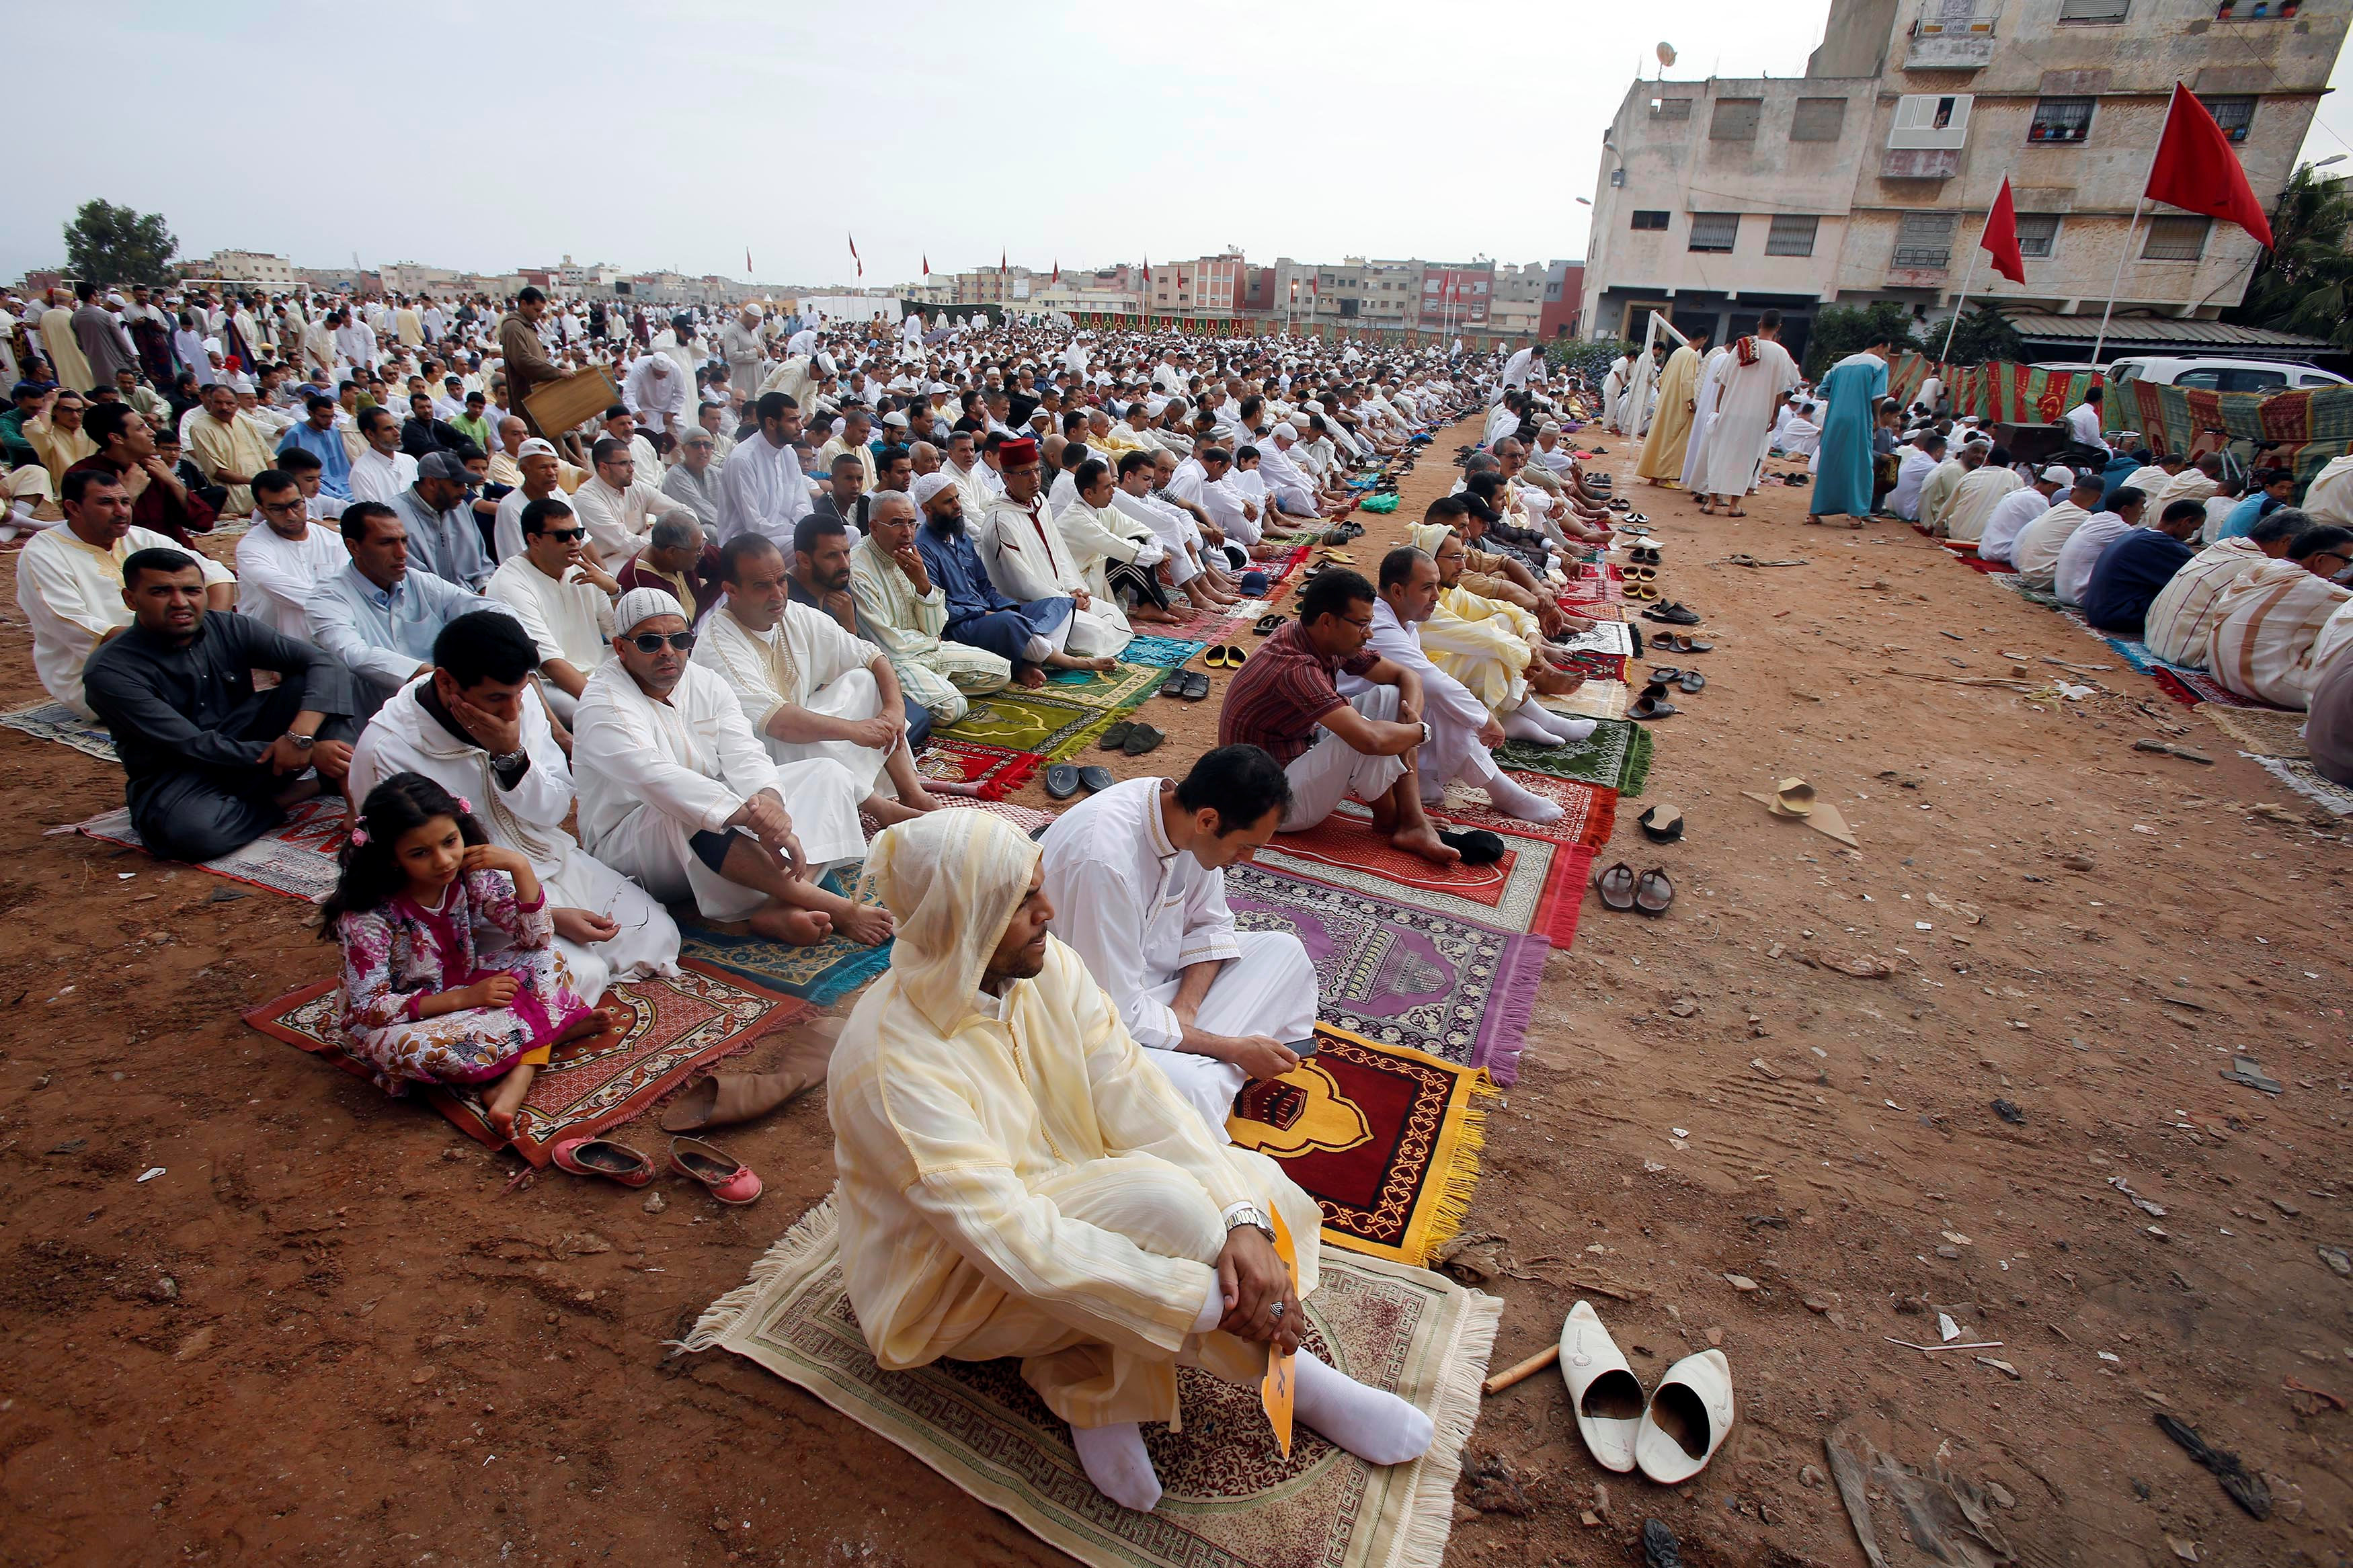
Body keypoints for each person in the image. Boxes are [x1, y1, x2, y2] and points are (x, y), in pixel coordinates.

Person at [829, 808, 1435, 1514]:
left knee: (1246, 1185)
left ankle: (1093, 1386)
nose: (1048, 911)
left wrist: (1238, 1223)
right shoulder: (891, 1061)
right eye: (1022, 900)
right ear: (964, 918)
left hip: (1066, 1188)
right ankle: (1293, 1375)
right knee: (1164, 1206)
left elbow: (1138, 1097)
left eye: (1037, 887)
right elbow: (1013, 1240)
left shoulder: (1045, 966)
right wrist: (1211, 1304)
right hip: (949, 1280)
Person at [345, 610, 682, 1003]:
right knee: (578, 973)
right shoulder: (386, 748)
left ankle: (551, 997)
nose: (510, 712)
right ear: (446, 683)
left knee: (655, 935)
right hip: (473, 900)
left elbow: (554, 810)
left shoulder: (519, 702)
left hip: (549, 857)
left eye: (518, 695)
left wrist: (510, 755)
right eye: (495, 699)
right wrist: (546, 916)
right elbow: (412, 866)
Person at [572, 589, 887, 946]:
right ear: (620, 648)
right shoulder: (602, 702)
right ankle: (836, 907)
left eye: (679, 639)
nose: (667, 652)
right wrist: (754, 818)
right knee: (690, 812)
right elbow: (656, 779)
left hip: (721, 823)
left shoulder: (705, 681)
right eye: (649, 642)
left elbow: (746, 754)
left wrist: (771, 805)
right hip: (631, 843)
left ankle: (776, 905)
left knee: (824, 774)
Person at [1036, 745, 1317, 1130]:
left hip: (1159, 998)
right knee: (1194, 1088)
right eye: (1246, 845)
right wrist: (1228, 1046)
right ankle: (1219, 1068)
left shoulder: (1183, 822)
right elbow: (1112, 1011)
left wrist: (1186, 1009)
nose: (1249, 859)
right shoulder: (1103, 861)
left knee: (1284, 952)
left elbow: (1212, 925)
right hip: (1091, 1018)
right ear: (1208, 821)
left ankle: (1213, 1065)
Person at [320, 772, 612, 1139]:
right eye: (420, 853)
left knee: (548, 959)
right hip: (407, 1021)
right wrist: (464, 998)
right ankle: (542, 1044)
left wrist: (519, 866)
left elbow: (535, 937)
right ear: (392, 858)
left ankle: (524, 1056)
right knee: (409, 1050)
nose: (444, 861)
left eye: (450, 841)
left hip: (466, 992)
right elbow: (369, 1008)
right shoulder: (367, 917)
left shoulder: (469, 877)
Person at [83, 546, 365, 860]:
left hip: (258, 745)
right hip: (180, 773)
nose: (181, 603)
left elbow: (326, 663)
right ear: (131, 600)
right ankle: (288, 796)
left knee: (312, 685)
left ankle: (358, 805)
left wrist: (299, 736)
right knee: (193, 835)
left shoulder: (228, 627)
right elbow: (191, 745)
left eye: (192, 590)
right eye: (162, 592)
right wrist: (309, 752)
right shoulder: (110, 671)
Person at [1217, 568, 1459, 866]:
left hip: (1297, 752)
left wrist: (1408, 726)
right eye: (1361, 624)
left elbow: (1407, 676)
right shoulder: (1294, 667)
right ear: (1328, 621)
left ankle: (1404, 820)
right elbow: (1369, 740)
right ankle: (1404, 821)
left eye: (1369, 623)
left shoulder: (1316, 635)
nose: (1368, 634)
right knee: (1366, 736)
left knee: (1391, 700)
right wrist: (1420, 732)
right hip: (1268, 803)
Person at [18, 468, 234, 716]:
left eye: (125, 501)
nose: (121, 511)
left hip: (180, 652)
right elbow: (73, 623)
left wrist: (210, 634)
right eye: (106, 503)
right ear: (74, 508)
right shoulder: (43, 553)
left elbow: (217, 576)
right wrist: (179, 644)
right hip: (100, 672)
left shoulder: (141, 538)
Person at [914, 462, 1094, 687]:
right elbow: (939, 607)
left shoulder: (961, 537)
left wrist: (1004, 605)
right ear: (927, 509)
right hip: (962, 625)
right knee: (1010, 622)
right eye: (948, 502)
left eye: (958, 498)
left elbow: (985, 586)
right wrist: (986, 613)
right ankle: (1066, 661)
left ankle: (1031, 660)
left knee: (1059, 604)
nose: (958, 506)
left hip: (989, 613)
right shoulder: (922, 549)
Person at [848, 485, 1012, 724]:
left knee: (1002, 672)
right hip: (896, 663)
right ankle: (917, 691)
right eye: (897, 523)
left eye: (912, 523)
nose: (907, 532)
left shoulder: (910, 556)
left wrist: (923, 584)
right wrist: (929, 642)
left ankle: (932, 686)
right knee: (952, 708)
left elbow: (935, 626)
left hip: (929, 652)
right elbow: (888, 645)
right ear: (873, 527)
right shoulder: (859, 570)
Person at [307, 501, 493, 699]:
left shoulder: (421, 581)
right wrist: (436, 677)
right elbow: (354, 654)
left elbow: (484, 609)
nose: (402, 553)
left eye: (403, 541)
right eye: (387, 543)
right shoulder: (328, 598)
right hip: (379, 714)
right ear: (354, 547)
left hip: (445, 696)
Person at [977, 438, 1132, 659]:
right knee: (1096, 632)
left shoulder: (1039, 501)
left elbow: (1059, 552)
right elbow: (1021, 583)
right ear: (1008, 478)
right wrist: (1066, 602)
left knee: (1112, 613)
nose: (1035, 479)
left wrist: (1076, 590)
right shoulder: (1000, 520)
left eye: (1037, 471)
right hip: (1032, 605)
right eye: (1026, 474)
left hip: (1060, 595)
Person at [485, 496, 616, 724]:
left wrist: (614, 589)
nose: (575, 542)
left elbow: (618, 632)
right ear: (534, 540)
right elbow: (549, 662)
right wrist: (607, 704)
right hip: (549, 683)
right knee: (586, 712)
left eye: (579, 533)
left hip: (598, 665)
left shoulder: (585, 569)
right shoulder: (511, 583)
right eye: (563, 536)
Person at [2207, 523, 2353, 708]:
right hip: (2269, 686)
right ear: (2321, 560)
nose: (2343, 568)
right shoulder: (2314, 588)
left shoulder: (2260, 568)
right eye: (2345, 561)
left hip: (2223, 673)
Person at [2144, 509, 2309, 669]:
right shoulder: (2261, 567)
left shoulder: (2224, 546)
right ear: (2286, 542)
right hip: (2190, 654)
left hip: (2155, 639)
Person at [1693, 315, 1797, 514]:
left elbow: (1723, 382)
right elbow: (1780, 391)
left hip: (1731, 409)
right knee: (1746, 458)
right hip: (1758, 415)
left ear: (1759, 325)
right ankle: (1733, 505)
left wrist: (1719, 408)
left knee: (1720, 453)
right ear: (1779, 327)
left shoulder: (1742, 346)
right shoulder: (1781, 353)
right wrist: (1774, 415)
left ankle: (1712, 502)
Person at [235, 468, 349, 638]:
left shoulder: (332, 540)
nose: (291, 516)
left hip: (332, 624)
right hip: (270, 636)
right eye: (278, 509)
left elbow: (348, 582)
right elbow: (274, 585)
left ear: (304, 500)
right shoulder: (252, 546)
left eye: (296, 505)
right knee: (288, 604)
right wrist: (336, 605)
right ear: (262, 511)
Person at [2083, 499, 2210, 634]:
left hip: (2097, 610)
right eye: (2193, 529)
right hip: (2117, 616)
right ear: (2185, 521)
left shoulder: (2135, 534)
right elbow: (2200, 579)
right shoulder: (2165, 547)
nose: (2190, 535)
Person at [1806, 333, 1892, 526]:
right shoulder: (1878, 365)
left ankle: (1814, 513)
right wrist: (1877, 419)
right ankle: (1855, 515)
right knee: (1860, 464)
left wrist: (1842, 394)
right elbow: (1877, 396)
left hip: (1834, 418)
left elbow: (1822, 391)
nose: (1885, 356)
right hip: (1860, 418)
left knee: (1829, 461)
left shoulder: (1840, 364)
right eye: (1886, 352)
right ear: (1880, 347)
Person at [572, 434, 694, 564]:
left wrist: (695, 537)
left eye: (632, 462)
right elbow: (624, 541)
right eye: (624, 464)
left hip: (643, 548)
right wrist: (675, 551)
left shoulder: (634, 486)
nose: (631, 469)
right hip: (610, 561)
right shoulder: (586, 499)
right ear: (604, 467)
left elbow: (681, 510)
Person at [717, 391, 814, 548]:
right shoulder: (742, 459)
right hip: (746, 544)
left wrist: (812, 528)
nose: (800, 426)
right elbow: (754, 525)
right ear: (771, 423)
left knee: (850, 535)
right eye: (792, 420)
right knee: (818, 547)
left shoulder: (789, 454)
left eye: (799, 419)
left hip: (785, 537)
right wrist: (801, 532)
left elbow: (802, 503)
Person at [392, 449, 495, 590]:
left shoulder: (460, 508)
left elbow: (483, 563)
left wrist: (484, 587)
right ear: (431, 483)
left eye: (465, 485)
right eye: (456, 485)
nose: (464, 492)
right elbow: (410, 580)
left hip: (472, 599)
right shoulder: (394, 515)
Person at [186, 380, 275, 518]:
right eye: (219, 403)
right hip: (237, 494)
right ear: (210, 403)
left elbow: (268, 456)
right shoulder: (200, 427)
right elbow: (218, 472)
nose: (224, 407)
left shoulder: (244, 422)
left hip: (264, 486)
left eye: (229, 403)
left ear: (237, 405)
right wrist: (256, 482)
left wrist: (277, 480)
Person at [617, 512, 723, 626]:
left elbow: (731, 559)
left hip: (700, 617)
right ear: (671, 552)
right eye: (698, 549)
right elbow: (671, 633)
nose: (702, 553)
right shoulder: (641, 585)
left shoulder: (682, 553)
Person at [2010, 473, 2108, 593]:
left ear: (2072, 491)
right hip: (2044, 577)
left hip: (2025, 570)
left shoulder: (2056, 508)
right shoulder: (2085, 519)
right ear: (2098, 499)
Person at [1634, 329, 1708, 486]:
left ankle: (1654, 475)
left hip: (1667, 401)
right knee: (1674, 440)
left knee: (1662, 437)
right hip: (1679, 403)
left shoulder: (1678, 352)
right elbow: (1687, 381)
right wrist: (1692, 402)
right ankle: (1663, 476)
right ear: (1702, 340)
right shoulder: (1691, 355)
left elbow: (1663, 378)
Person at [2054, 487, 2147, 608]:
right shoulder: (2119, 528)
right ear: (2125, 510)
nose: (2144, 511)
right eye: (2141, 506)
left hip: (2063, 592)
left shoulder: (2095, 519)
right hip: (2081, 597)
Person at [1978, 466, 2069, 566]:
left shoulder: (2021, 493)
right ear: (2054, 486)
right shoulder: (2036, 500)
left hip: (1989, 550)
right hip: (2002, 554)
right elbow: (2050, 533)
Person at [1939, 444, 2023, 545]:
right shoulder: (2015, 479)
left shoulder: (1971, 475)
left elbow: (1948, 507)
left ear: (1987, 460)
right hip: (1983, 540)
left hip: (1955, 533)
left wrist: (1939, 526)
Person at [349, 405, 421, 506]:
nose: (397, 433)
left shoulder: (410, 461)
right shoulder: (361, 472)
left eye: (395, 427)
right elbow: (372, 517)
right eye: (388, 429)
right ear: (371, 434)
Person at [660, 425, 724, 532]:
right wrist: (729, 529)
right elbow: (699, 508)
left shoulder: (717, 473)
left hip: (719, 524)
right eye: (696, 445)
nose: (703, 451)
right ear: (684, 449)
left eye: (708, 445)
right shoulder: (676, 475)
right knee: (710, 531)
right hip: (683, 529)